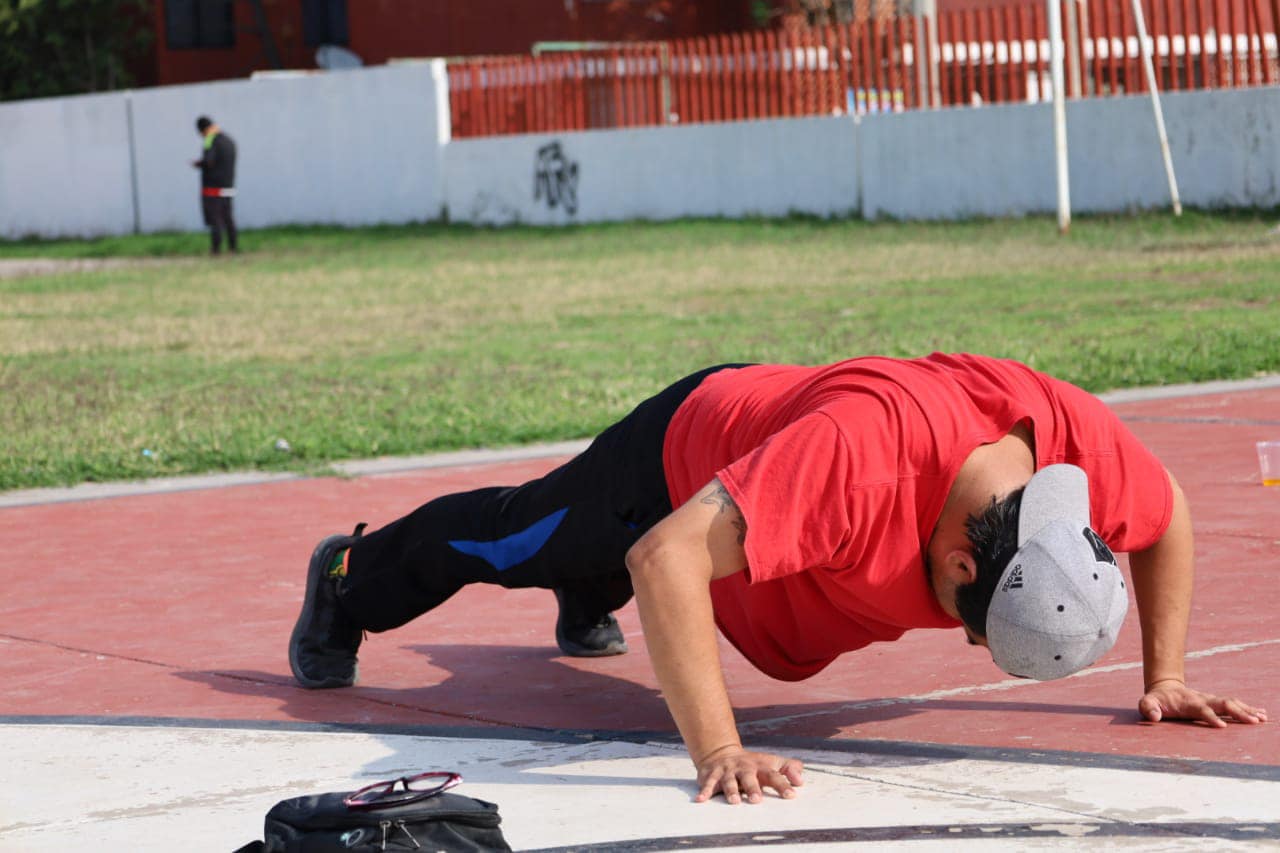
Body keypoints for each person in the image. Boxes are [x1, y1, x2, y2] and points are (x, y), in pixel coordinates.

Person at [288, 353, 1267, 804]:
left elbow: (1166, 511)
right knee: (517, 540)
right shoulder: (858, 462)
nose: (964, 639)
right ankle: (348, 576)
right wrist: (719, 748)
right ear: (961, 562)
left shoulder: (1065, 448)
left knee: (659, 566)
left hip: (760, 492)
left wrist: (1163, 672)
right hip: (666, 472)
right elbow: (666, 554)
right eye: (973, 628)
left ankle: (588, 596)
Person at [192, 116, 238, 255]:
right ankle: (233, 248)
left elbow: (209, 161)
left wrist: (198, 164)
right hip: (228, 187)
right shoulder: (230, 141)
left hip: (213, 189)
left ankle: (216, 250)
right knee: (228, 218)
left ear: (203, 130)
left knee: (215, 219)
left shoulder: (210, 140)